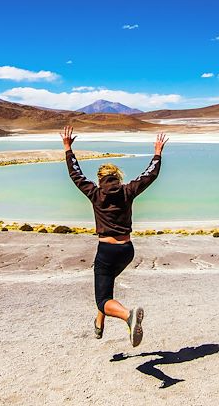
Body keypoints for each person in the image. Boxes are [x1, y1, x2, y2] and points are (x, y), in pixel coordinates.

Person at [61, 126, 167, 347]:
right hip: (127, 251)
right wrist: (157, 153)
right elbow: (150, 174)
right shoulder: (128, 191)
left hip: (107, 251)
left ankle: (128, 316)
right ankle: (99, 323)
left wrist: (68, 148)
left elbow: (75, 174)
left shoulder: (94, 193)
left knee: (103, 298)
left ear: (100, 180)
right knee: (106, 285)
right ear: (118, 177)